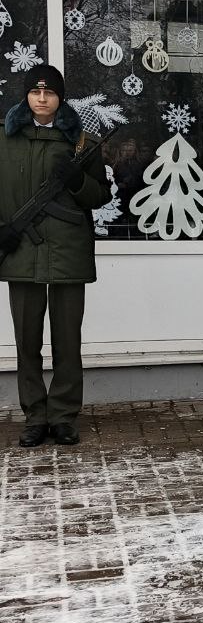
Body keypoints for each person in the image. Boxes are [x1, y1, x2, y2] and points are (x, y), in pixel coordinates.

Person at [0, 66, 110, 447]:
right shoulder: (5, 138)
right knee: (26, 341)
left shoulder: (81, 142)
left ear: (60, 97)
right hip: (21, 251)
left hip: (68, 251)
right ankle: (34, 416)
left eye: (49, 93)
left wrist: (78, 180)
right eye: (35, 92)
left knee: (68, 341)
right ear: (26, 96)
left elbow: (100, 197)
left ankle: (63, 416)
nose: (42, 99)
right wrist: (4, 230)